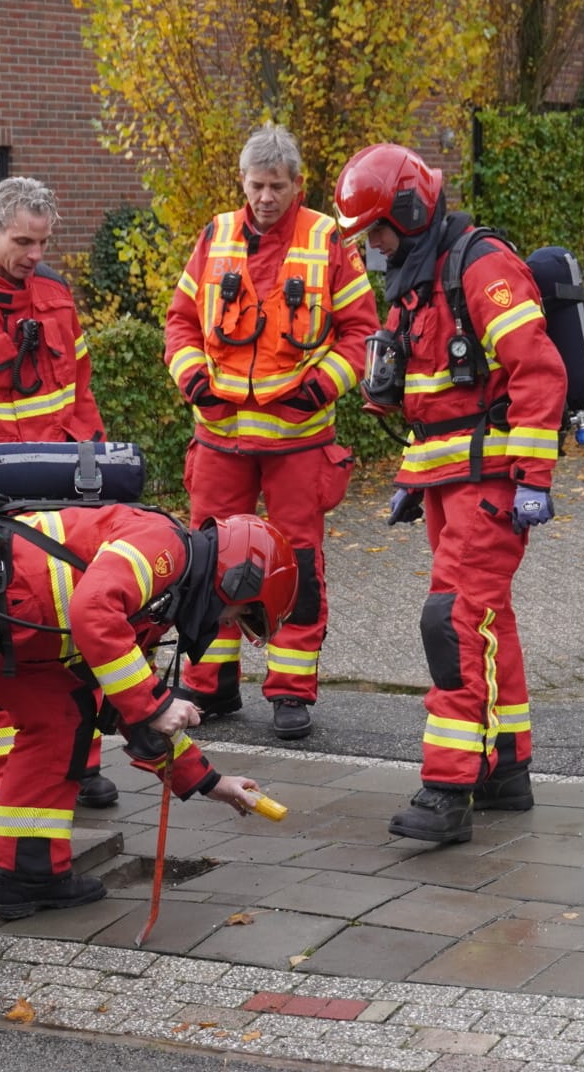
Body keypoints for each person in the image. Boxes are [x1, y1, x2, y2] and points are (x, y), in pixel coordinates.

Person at [0, 508, 296, 1011]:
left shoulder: (162, 600)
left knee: (65, 719)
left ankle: (30, 875)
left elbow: (134, 712)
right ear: (236, 577)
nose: (228, 626)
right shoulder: (161, 547)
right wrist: (154, 704)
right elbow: (94, 612)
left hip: (17, 628)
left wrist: (210, 782)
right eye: (240, 615)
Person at [331, 142, 568, 844]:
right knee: (488, 621)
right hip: (449, 481)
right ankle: (504, 767)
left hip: (489, 484)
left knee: (455, 621)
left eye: (377, 230)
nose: (372, 247)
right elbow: (431, 400)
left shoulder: (479, 265)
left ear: (408, 210)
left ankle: (447, 787)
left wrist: (533, 478)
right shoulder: (418, 278)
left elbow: (538, 371)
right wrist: (412, 480)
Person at [162, 125, 380, 742]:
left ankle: (290, 691)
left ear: (297, 184)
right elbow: (179, 323)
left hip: (297, 440)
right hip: (220, 436)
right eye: (256, 185)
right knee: (207, 557)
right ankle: (210, 682)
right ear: (242, 181)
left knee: (298, 565)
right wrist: (193, 379)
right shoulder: (215, 235)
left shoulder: (326, 239)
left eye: (276, 186)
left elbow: (362, 331)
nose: (264, 197)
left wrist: (323, 385)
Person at [0, 176, 115, 808]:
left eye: (43, 243)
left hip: (61, 493)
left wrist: (94, 468)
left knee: (76, 626)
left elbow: (79, 391)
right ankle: (2, 774)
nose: (36, 255)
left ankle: (78, 761)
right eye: (24, 242)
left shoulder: (56, 295)